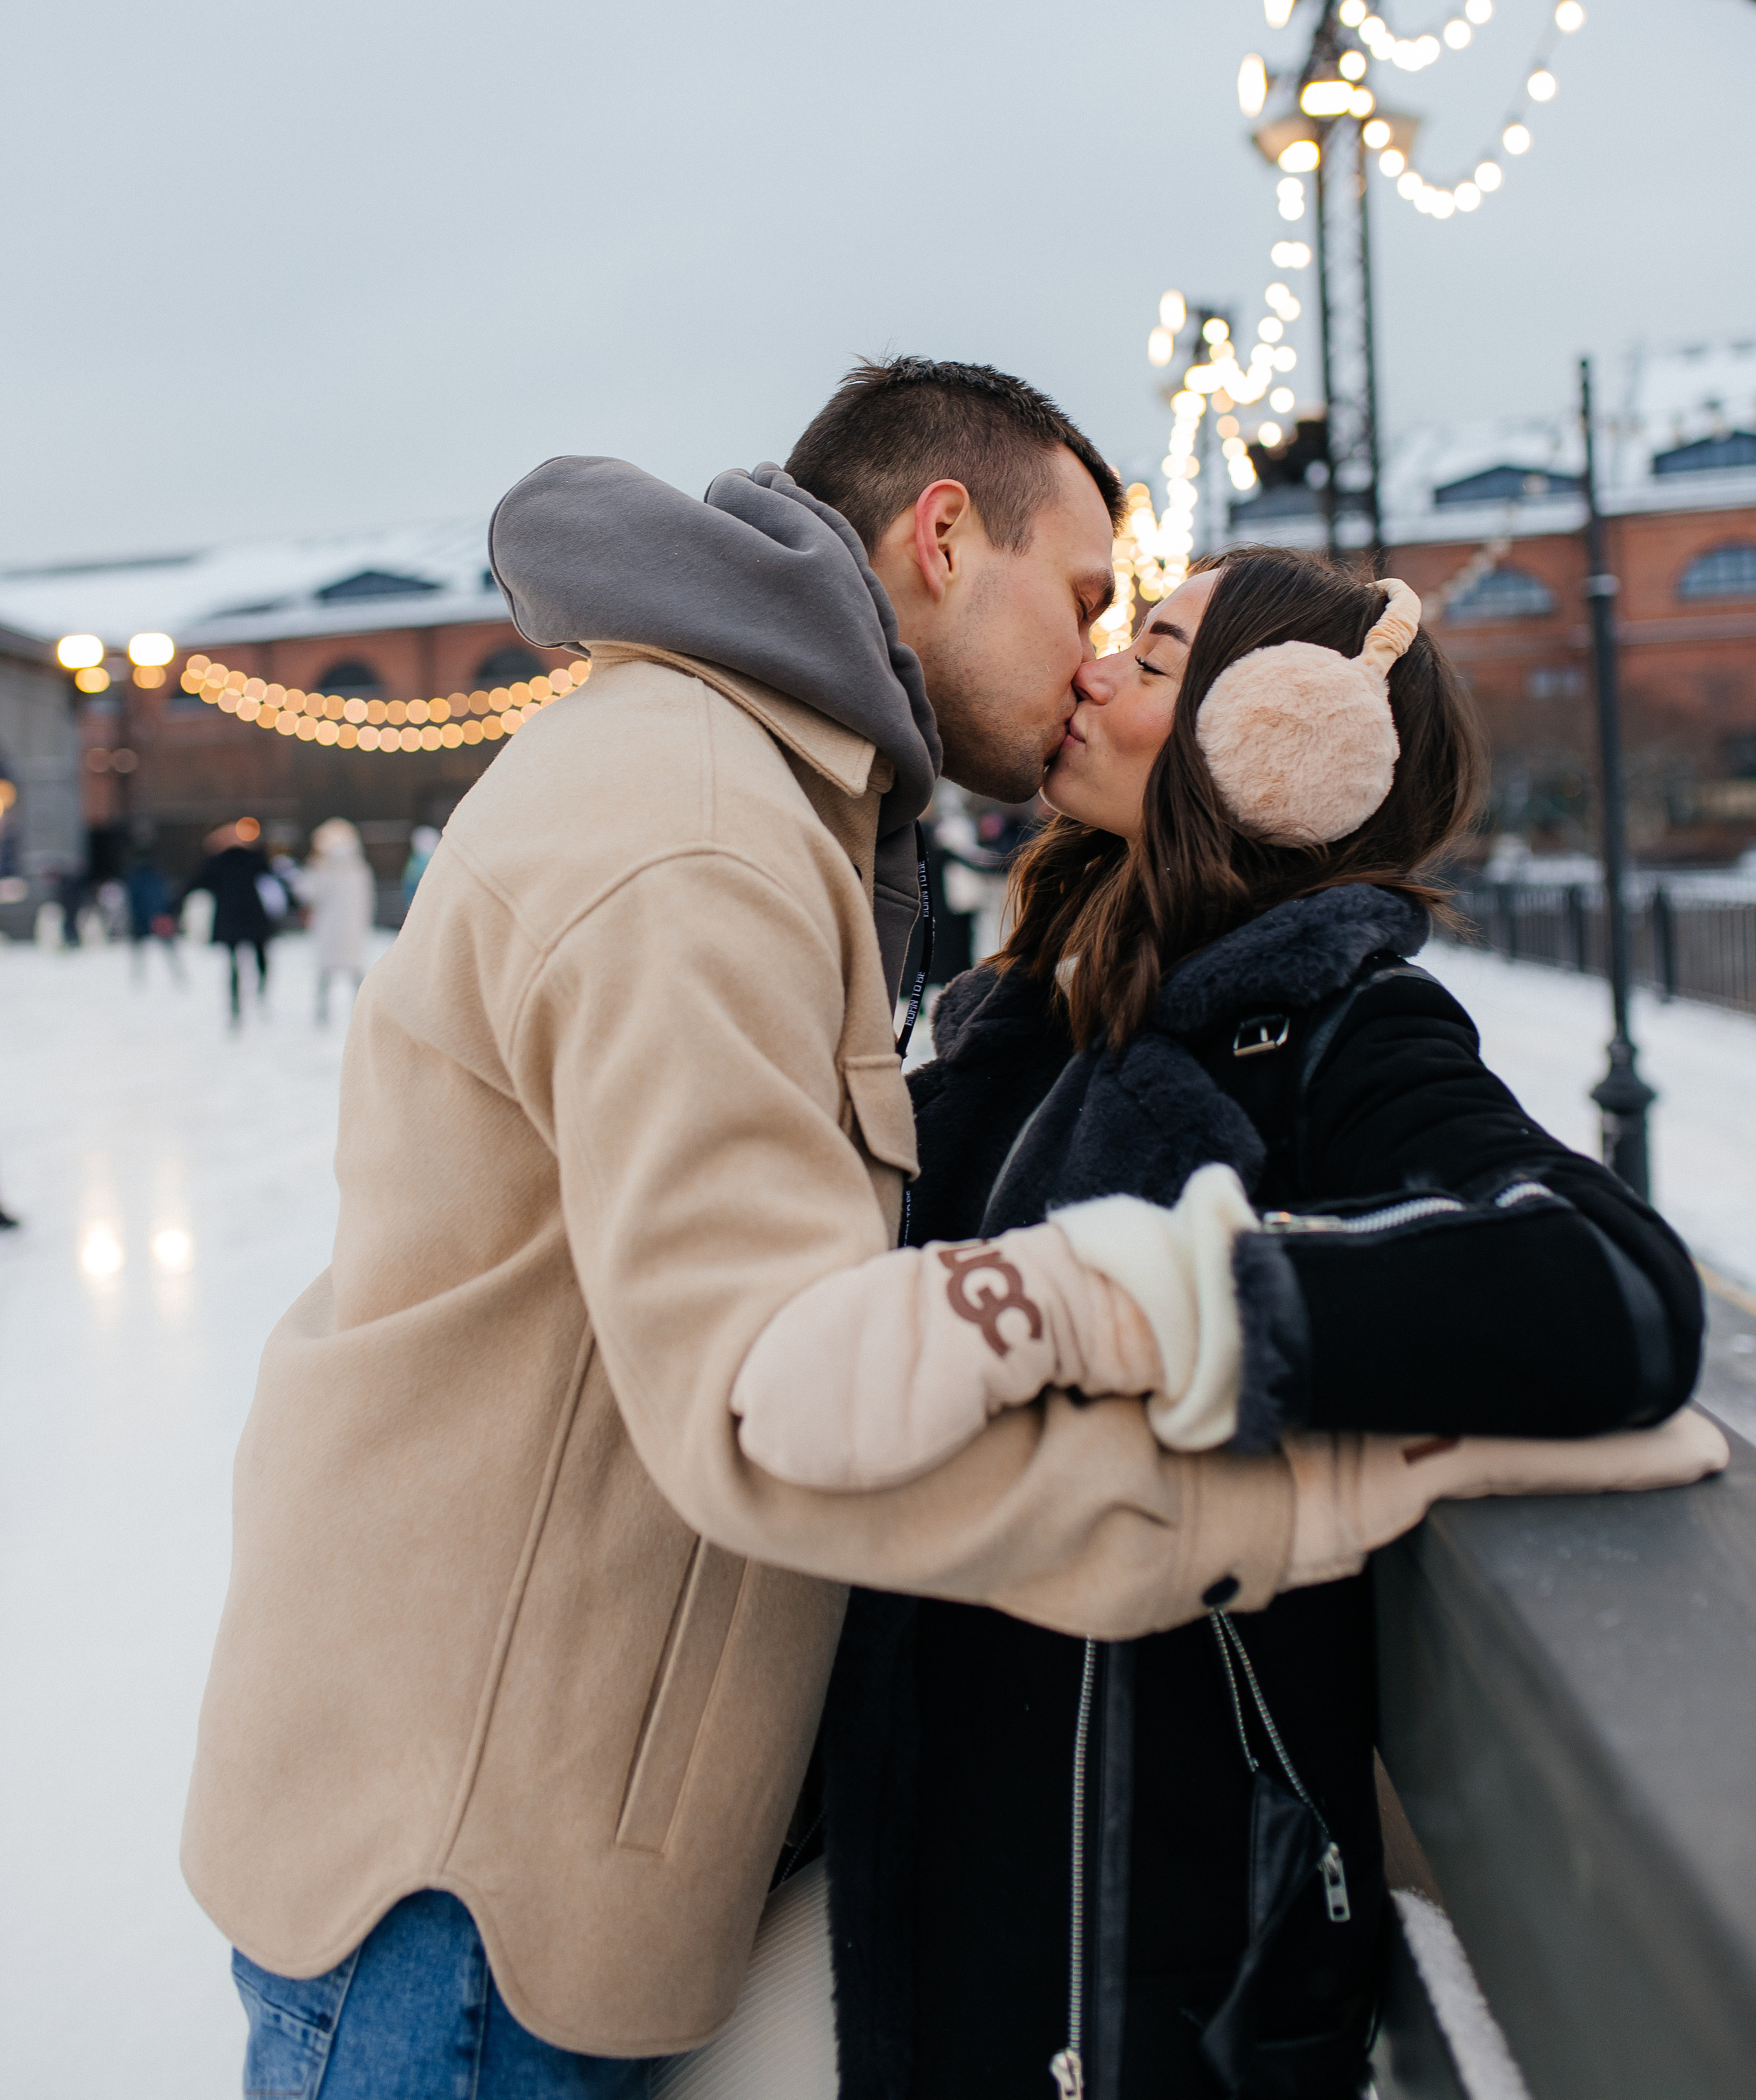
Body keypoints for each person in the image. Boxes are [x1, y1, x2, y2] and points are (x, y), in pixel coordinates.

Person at [185, 363, 1413, 2099]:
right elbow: (765, 1395)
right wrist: (1272, 1510)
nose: (1089, 658)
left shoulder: (758, 794)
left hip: (526, 1804)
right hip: (472, 1859)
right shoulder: (703, 828)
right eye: (1080, 599)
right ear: (941, 536)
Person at [732, 550, 1709, 2100]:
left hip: (1141, 1926)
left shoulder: (1334, 1018)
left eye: (1153, 655)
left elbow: (1607, 1282)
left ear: (1280, 740)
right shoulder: (1041, 1015)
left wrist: (1137, 1295)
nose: (1091, 671)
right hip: (956, 1842)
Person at [181, 820, 278, 1025]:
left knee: (234, 964)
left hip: (230, 919)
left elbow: (193, 884)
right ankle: (259, 995)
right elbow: (270, 873)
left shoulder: (216, 863)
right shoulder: (252, 859)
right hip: (253, 916)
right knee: (260, 958)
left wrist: (170, 908)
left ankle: (236, 1004)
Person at [298, 818, 377, 1023]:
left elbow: (306, 892)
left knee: (326, 973)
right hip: (353, 930)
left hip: (328, 929)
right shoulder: (359, 868)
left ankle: (322, 1015)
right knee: (355, 972)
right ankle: (362, 1014)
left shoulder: (323, 868)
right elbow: (369, 900)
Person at [123, 844, 185, 984]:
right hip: (157, 918)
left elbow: (133, 900)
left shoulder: (135, 877)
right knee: (167, 951)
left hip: (147, 919)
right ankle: (177, 976)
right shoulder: (157, 875)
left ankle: (138, 978)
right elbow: (164, 896)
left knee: (144, 952)